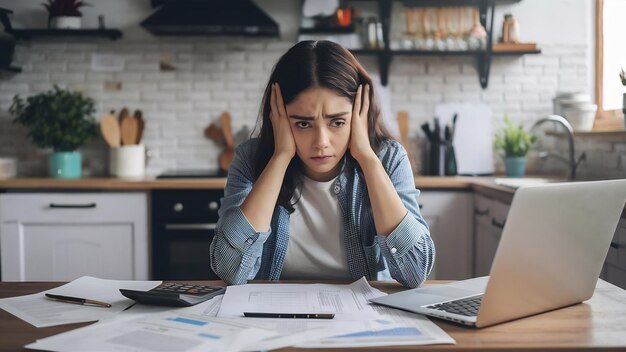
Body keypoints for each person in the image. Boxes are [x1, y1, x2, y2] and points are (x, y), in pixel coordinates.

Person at [210, 40, 434, 288]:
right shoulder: (250, 159)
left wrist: (368, 160)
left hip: (361, 318)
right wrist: (281, 156)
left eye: (337, 122)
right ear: (279, 117)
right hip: (271, 318)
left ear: (359, 115)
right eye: (303, 124)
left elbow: (415, 273)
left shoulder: (388, 159)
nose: (321, 142)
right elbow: (230, 270)